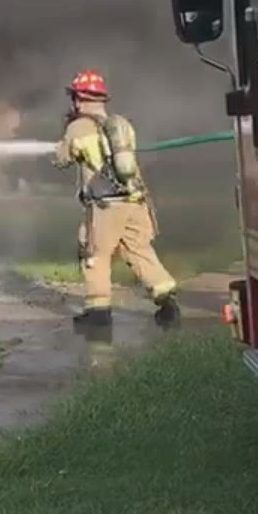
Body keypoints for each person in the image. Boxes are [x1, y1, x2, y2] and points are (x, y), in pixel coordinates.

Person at [52, 70, 180, 330]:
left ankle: (98, 314)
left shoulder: (79, 126)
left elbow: (62, 159)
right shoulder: (120, 125)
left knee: (95, 254)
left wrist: (63, 145)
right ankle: (167, 303)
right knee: (140, 250)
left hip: (106, 206)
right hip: (135, 200)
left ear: (78, 99)